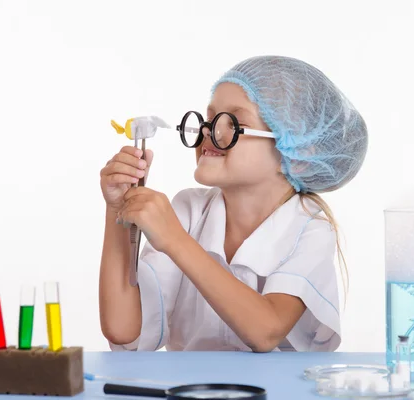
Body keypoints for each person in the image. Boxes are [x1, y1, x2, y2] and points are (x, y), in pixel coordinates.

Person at [98, 55, 368, 352]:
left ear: (299, 154)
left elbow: (266, 330)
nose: (208, 131)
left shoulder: (310, 228)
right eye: (210, 118)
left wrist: (174, 239)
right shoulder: (188, 210)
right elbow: (123, 329)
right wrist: (117, 210)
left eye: (234, 123)